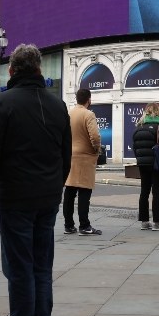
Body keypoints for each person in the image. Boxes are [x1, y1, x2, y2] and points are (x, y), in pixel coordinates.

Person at [0, 44, 71, 316]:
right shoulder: (58, 105)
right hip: (47, 199)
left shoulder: (3, 104)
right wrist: (56, 187)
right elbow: (66, 156)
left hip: (15, 198)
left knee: (19, 268)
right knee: (42, 266)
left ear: (12, 70)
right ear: (39, 70)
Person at [63, 89, 103, 236]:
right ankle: (84, 225)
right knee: (85, 192)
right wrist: (96, 149)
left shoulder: (69, 113)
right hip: (85, 157)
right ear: (89, 100)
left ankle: (68, 225)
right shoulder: (88, 114)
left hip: (70, 156)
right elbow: (95, 136)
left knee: (70, 191)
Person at [131, 103, 159, 230]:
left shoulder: (138, 128)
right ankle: (157, 222)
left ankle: (144, 221)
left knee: (144, 191)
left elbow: (135, 148)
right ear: (158, 112)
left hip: (143, 164)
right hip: (157, 164)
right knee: (156, 193)